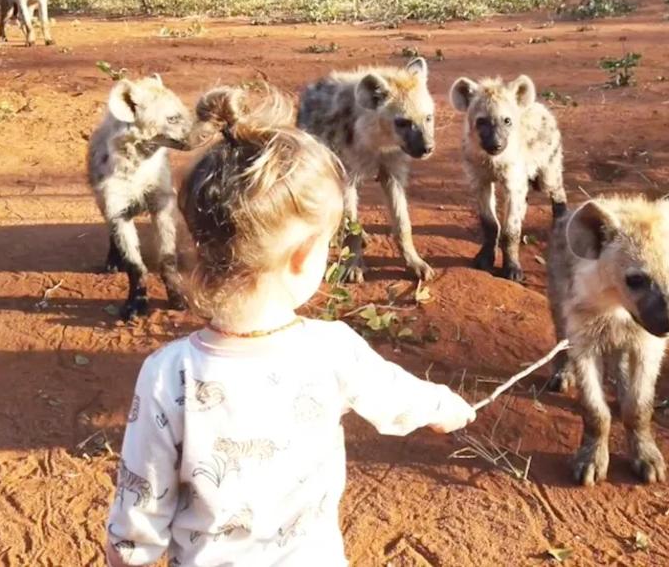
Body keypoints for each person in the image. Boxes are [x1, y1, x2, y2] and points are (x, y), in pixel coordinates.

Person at [105, 88, 476, 566]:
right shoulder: (332, 349)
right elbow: (399, 401)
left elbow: (137, 522)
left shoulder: (167, 373)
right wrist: (445, 406)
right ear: (304, 258)